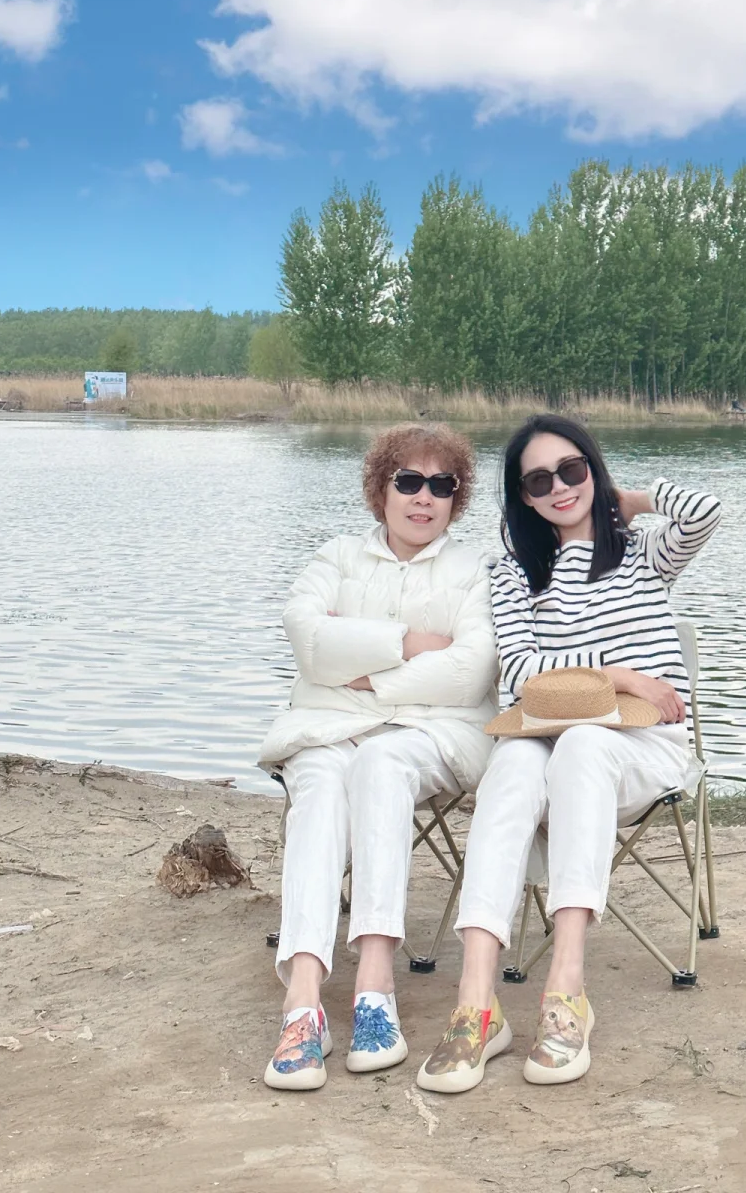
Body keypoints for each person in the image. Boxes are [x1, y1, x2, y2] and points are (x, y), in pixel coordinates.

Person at [417, 413, 721, 1093]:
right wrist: (621, 676)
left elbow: (704, 511)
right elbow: (522, 675)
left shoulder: (643, 553)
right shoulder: (513, 575)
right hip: (544, 733)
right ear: (523, 498)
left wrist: (627, 501)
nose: (558, 487)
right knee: (511, 765)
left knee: (583, 743)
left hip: (642, 745)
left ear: (593, 468)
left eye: (572, 470)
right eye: (538, 481)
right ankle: (476, 1005)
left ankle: (567, 990)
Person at [258, 423, 498, 1091]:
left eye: (441, 485)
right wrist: (411, 642)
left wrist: (365, 675)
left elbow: (471, 672)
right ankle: (303, 1000)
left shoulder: (475, 571)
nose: (424, 497)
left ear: (456, 497)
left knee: (381, 763)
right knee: (319, 782)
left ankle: (375, 986)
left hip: (435, 732)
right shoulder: (336, 557)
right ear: (380, 489)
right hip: (329, 726)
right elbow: (308, 640)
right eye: (409, 481)